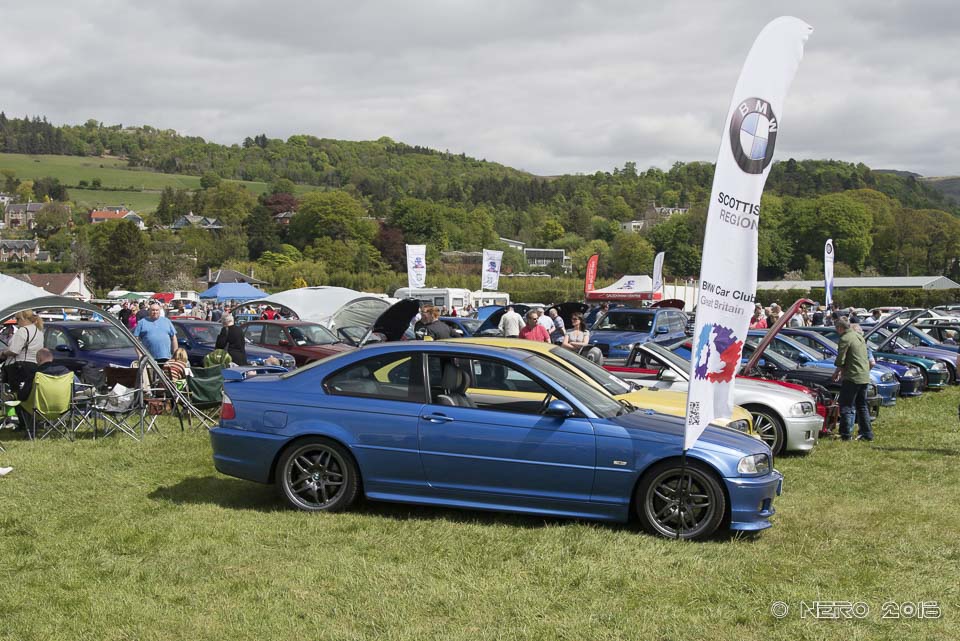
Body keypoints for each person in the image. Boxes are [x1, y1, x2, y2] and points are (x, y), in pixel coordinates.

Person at [832, 316, 874, 441]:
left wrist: (837, 371)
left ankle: (845, 434)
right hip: (864, 376)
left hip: (852, 376)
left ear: (840, 328)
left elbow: (841, 359)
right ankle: (867, 434)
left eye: (836, 328)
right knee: (862, 405)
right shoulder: (859, 336)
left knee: (846, 405)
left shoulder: (845, 338)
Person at [1, 310, 45, 400]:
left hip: (19, 368)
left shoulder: (23, 331)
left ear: (24, 318)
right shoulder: (39, 331)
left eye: (17, 319)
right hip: (34, 366)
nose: (17, 322)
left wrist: (3, 353)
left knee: (15, 395)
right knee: (28, 394)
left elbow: (14, 351)